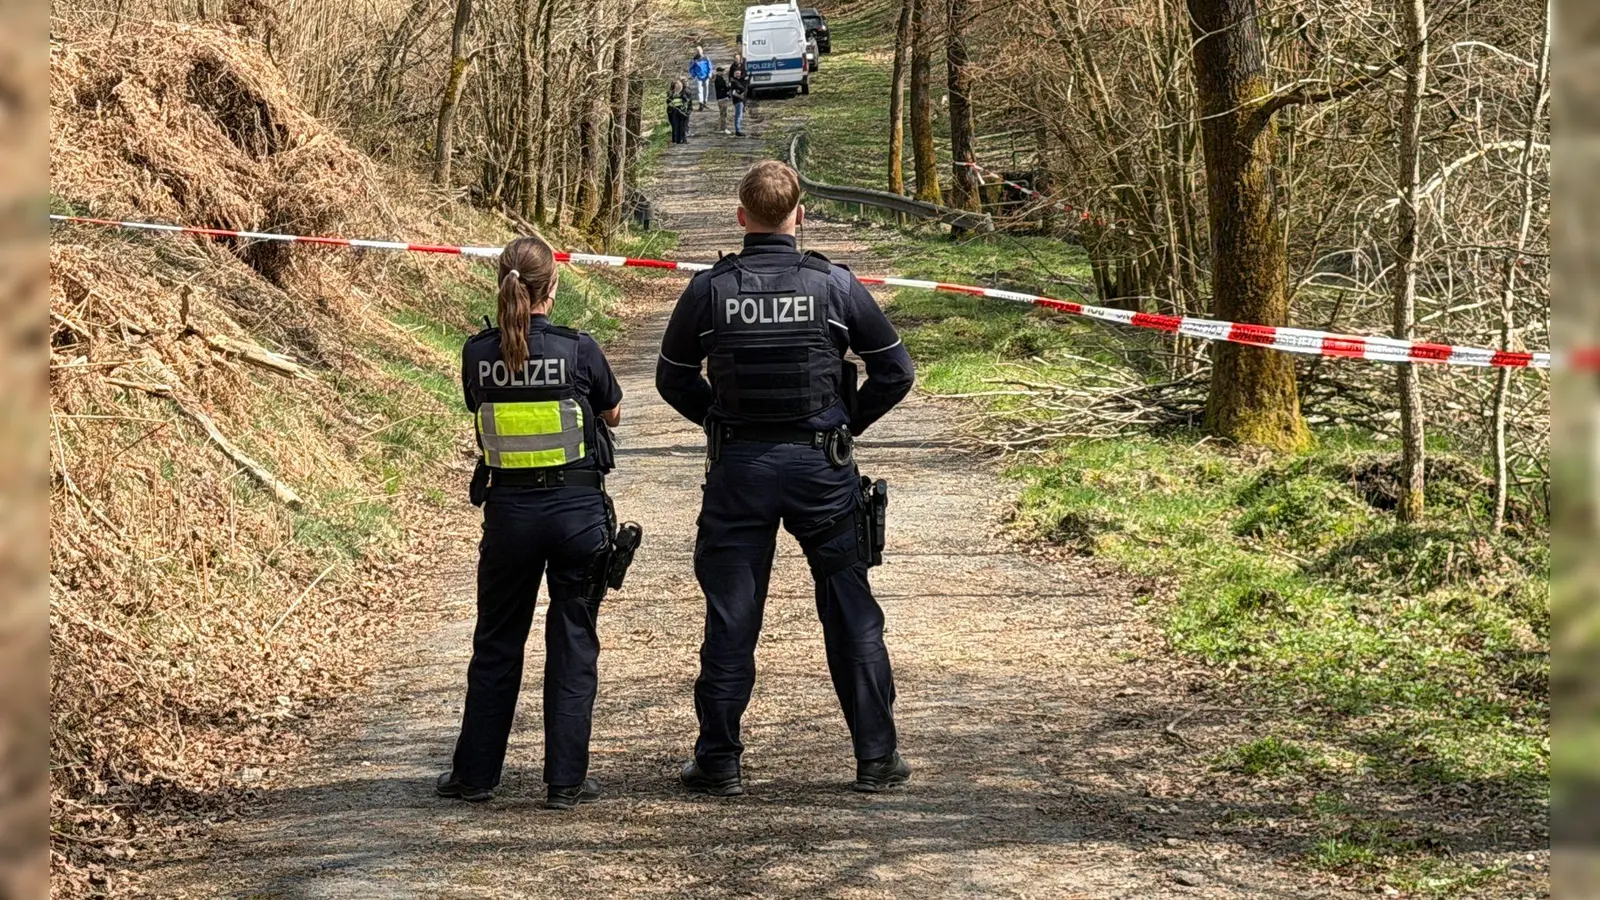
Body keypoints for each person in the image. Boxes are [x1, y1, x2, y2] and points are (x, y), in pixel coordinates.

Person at [655, 161, 917, 796]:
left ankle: (719, 762)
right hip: (821, 471)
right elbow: (896, 373)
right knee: (850, 608)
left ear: (741, 216)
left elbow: (672, 377)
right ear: (800, 215)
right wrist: (843, 423)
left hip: (740, 469)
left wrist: (720, 418)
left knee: (731, 616)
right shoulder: (836, 286)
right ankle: (876, 758)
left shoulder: (710, 290)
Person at [438, 234, 625, 810]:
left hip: (509, 517)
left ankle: (475, 777)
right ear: (555, 286)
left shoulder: (477, 354)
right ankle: (565, 781)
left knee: (496, 643)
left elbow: (480, 403)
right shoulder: (579, 350)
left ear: (501, 282)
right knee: (573, 643)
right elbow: (612, 411)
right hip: (576, 516)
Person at [727, 60, 749, 137]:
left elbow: (745, 87)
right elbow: (738, 90)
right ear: (734, 75)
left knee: (740, 115)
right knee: (738, 115)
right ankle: (738, 130)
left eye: (739, 73)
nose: (738, 74)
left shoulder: (742, 80)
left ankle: (738, 129)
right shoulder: (734, 82)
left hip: (742, 100)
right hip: (737, 100)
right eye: (736, 73)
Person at [667, 78, 692, 144]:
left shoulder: (685, 92)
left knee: (681, 125)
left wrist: (688, 110)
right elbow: (668, 101)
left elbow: (688, 101)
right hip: (675, 111)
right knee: (678, 125)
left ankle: (680, 139)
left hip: (682, 111)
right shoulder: (671, 93)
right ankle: (678, 139)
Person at [689, 46, 712, 111]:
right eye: (697, 51)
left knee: (706, 89)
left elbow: (710, 66)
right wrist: (693, 75)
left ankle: (705, 102)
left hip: (706, 76)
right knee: (700, 90)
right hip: (698, 77)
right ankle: (701, 103)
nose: (698, 52)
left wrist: (710, 73)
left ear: (702, 51)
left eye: (699, 50)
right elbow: (691, 68)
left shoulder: (706, 58)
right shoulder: (694, 59)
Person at [713, 65, 731, 135]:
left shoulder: (720, 78)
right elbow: (723, 88)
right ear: (718, 72)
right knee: (724, 114)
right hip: (722, 98)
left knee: (722, 114)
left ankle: (722, 127)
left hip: (721, 98)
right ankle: (724, 128)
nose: (723, 72)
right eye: (721, 71)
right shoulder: (719, 79)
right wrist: (729, 87)